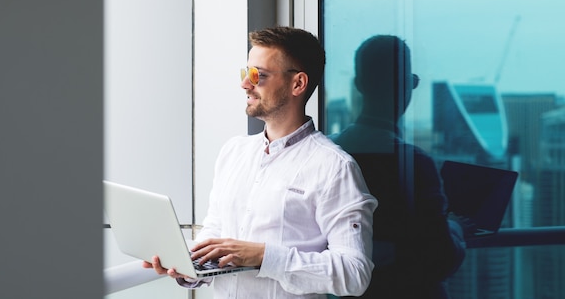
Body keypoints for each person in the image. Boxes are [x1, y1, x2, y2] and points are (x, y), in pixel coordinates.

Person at [145, 26, 378, 298]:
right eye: (246, 73)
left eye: (259, 75)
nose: (246, 83)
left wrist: (264, 256)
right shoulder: (233, 152)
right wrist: (190, 267)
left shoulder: (334, 166)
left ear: (298, 84)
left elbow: (354, 273)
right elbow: (215, 233)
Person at [331, 35, 466, 299]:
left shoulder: (327, 153)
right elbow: (441, 259)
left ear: (359, 84)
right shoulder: (413, 163)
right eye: (411, 82)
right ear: (405, 87)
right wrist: (455, 228)